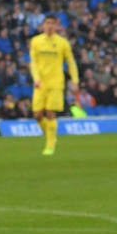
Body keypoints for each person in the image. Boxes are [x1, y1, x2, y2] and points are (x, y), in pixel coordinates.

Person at [28, 14, 79, 156]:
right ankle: (51, 136)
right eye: (47, 23)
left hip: (56, 83)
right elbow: (33, 62)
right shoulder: (35, 41)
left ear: (57, 26)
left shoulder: (63, 43)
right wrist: (36, 78)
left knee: (50, 112)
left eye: (52, 23)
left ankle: (50, 145)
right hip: (40, 83)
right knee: (37, 114)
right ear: (43, 25)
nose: (49, 26)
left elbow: (71, 62)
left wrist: (75, 80)